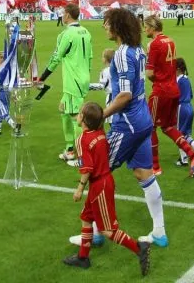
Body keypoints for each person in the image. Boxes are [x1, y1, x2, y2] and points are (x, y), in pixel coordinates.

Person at [91, 8, 167, 248]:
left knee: (97, 173)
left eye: (107, 23)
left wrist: (100, 115)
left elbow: (124, 95)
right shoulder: (138, 50)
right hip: (143, 121)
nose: (104, 26)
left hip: (128, 124)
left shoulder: (122, 54)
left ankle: (94, 233)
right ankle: (159, 232)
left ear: (117, 26)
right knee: (144, 173)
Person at [63, 101, 151, 275]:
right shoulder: (101, 133)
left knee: (108, 229)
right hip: (104, 181)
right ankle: (83, 257)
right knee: (86, 217)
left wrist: (80, 188)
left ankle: (139, 248)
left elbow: (87, 168)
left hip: (99, 186)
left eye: (80, 113)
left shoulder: (82, 139)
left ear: (84, 120)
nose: (78, 115)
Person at [144, 16, 194, 176]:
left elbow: (149, 73)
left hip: (160, 91)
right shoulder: (170, 40)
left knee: (150, 127)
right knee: (169, 127)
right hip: (174, 90)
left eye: (146, 26)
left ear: (152, 27)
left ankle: (155, 167)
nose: (144, 29)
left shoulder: (155, 44)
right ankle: (193, 155)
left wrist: (157, 80)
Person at [38, 3, 92, 166]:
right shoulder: (86, 32)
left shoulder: (67, 34)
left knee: (77, 117)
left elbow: (56, 58)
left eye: (63, 13)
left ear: (68, 15)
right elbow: (89, 57)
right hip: (82, 77)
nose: (61, 16)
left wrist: (42, 78)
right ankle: (70, 148)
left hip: (73, 80)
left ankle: (81, 157)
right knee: (63, 109)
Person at [175, 58, 194, 166]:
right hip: (190, 107)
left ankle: (183, 159)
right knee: (186, 133)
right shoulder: (187, 79)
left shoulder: (178, 80)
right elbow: (191, 95)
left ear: (178, 69)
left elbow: (174, 96)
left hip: (181, 108)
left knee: (178, 134)